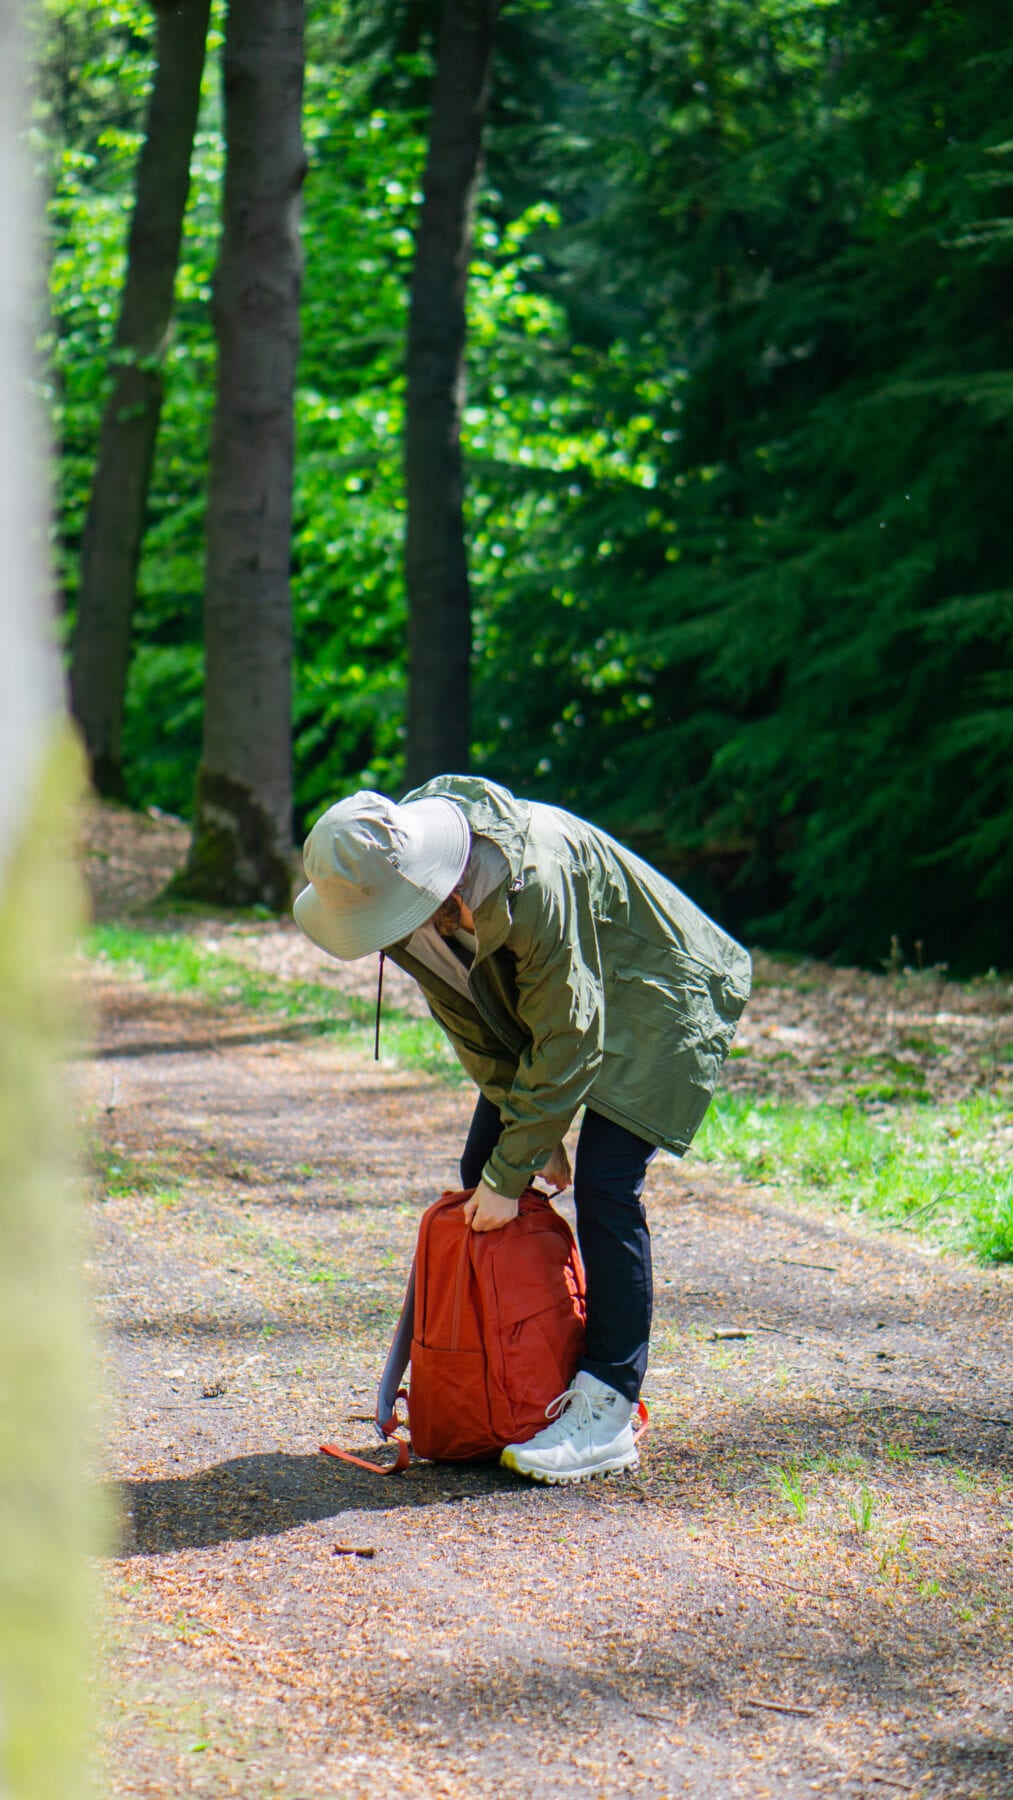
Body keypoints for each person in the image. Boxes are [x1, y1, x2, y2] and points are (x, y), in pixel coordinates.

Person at [293, 774, 751, 1485]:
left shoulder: (531, 880)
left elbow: (571, 1034)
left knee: (604, 1183)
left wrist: (521, 1165)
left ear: (425, 878)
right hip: (564, 1000)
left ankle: (607, 1404)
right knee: (482, 1167)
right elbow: (477, 1030)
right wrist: (524, 1144)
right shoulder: (408, 912)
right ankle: (520, 1383)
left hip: (656, 990)